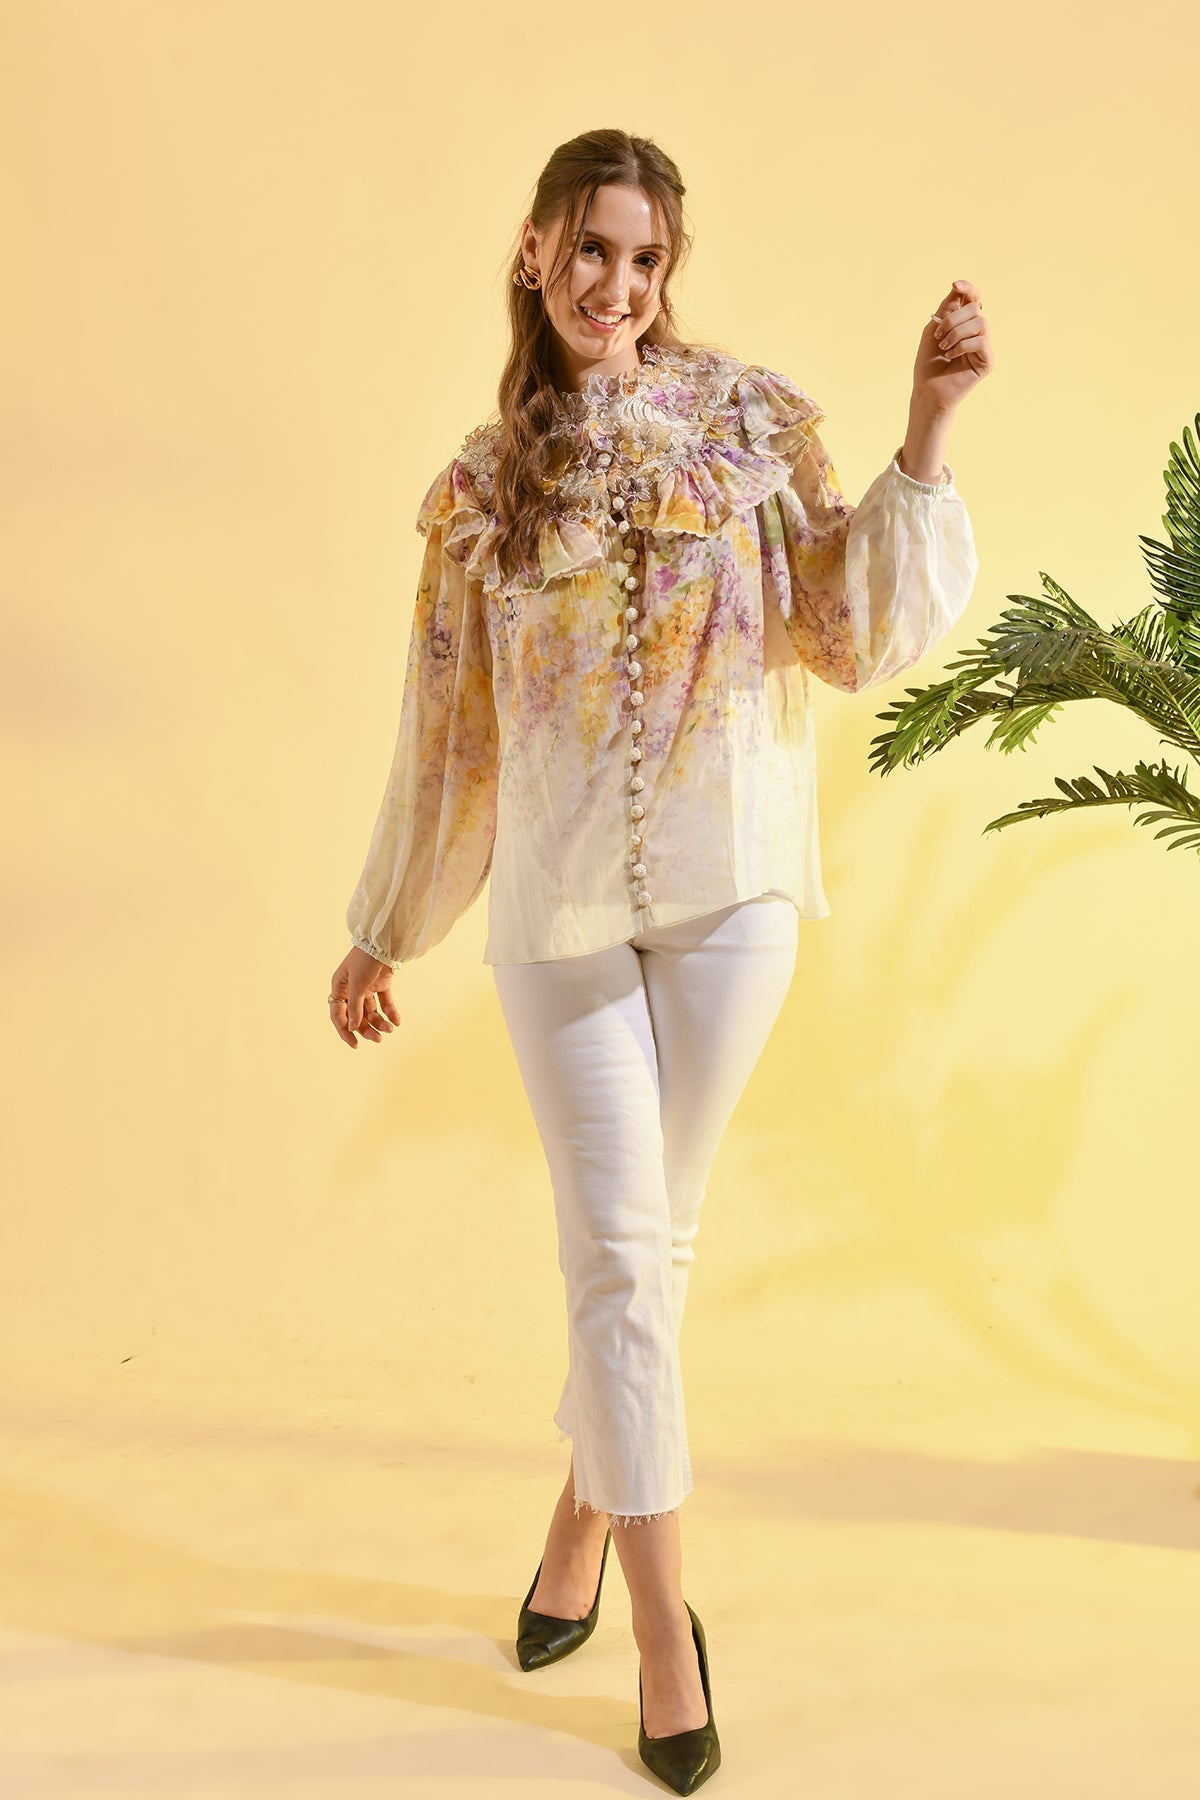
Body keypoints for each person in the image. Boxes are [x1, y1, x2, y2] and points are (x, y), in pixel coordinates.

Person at [327, 127, 992, 1793]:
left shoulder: (747, 427)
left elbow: (844, 628)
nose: (617, 287)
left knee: (646, 1252)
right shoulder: (484, 491)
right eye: (590, 250)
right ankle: (660, 1639)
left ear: (665, 271)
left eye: (644, 259)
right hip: (557, 916)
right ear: (534, 251)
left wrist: (925, 426)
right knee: (626, 1257)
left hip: (730, 897)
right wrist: (385, 922)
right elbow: (449, 729)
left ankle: (578, 1525)